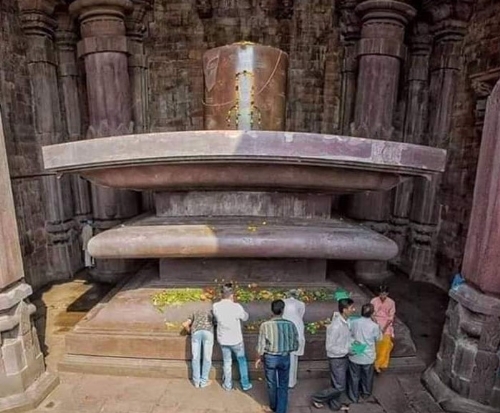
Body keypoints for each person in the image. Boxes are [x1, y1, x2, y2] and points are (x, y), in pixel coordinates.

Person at [311, 298, 356, 411]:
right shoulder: (336, 326)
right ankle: (317, 397)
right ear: (344, 310)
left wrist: (353, 344)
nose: (354, 310)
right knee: (340, 386)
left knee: (337, 383)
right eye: (351, 308)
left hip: (343, 357)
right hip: (336, 359)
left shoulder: (347, 322)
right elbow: (330, 347)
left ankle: (335, 405)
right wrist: (346, 350)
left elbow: (346, 339)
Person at [256, 299, 299, 413]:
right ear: (283, 310)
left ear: (272, 310)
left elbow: (261, 346)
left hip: (270, 358)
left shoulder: (265, 325)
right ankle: (281, 410)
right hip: (285, 357)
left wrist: (260, 358)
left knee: (271, 383)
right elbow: (295, 344)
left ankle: (273, 406)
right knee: (284, 384)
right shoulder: (291, 325)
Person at [212, 283, 252, 391]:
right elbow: (245, 317)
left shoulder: (215, 306)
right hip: (236, 340)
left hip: (223, 339)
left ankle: (227, 384)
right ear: (231, 295)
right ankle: (245, 383)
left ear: (221, 294)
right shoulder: (236, 307)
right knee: (242, 360)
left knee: (227, 362)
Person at [347, 303, 382, 403]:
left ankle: (353, 396)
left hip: (355, 354)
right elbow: (379, 338)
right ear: (372, 313)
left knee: (354, 376)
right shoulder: (374, 326)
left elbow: (348, 332)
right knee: (367, 376)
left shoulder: (354, 322)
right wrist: (377, 323)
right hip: (368, 356)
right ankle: (366, 393)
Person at [182, 302, 215, 388]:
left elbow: (185, 324)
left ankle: (196, 382)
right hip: (208, 332)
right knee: (207, 358)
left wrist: (189, 331)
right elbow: (216, 324)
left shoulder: (195, 312)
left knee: (195, 357)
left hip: (196, 332)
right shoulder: (211, 312)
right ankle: (204, 381)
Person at [283, 289, 306, 388]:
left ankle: (283, 380)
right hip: (296, 329)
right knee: (293, 358)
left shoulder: (283, 301)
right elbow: (301, 315)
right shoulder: (301, 304)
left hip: (284, 329)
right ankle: (291, 382)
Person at [371, 284, 396, 373]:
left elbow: (391, 317)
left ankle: (378, 363)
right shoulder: (374, 301)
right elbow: (372, 314)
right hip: (375, 322)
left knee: (385, 342)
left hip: (386, 323)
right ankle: (373, 361)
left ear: (387, 294)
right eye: (381, 294)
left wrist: (384, 328)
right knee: (376, 342)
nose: (383, 296)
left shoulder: (391, 302)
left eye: (384, 294)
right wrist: (376, 325)